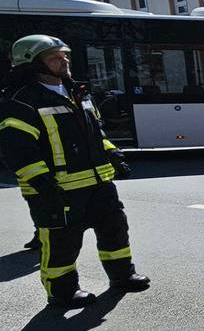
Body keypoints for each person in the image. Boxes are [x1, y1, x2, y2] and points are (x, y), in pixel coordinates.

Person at [0, 35, 150, 308]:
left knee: (115, 230)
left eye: (65, 55)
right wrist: (43, 184)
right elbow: (18, 151)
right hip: (57, 189)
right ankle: (62, 293)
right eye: (54, 57)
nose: (64, 60)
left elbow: (95, 132)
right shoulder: (20, 101)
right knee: (61, 243)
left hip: (99, 183)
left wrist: (112, 154)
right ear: (32, 63)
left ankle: (122, 276)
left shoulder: (77, 91)